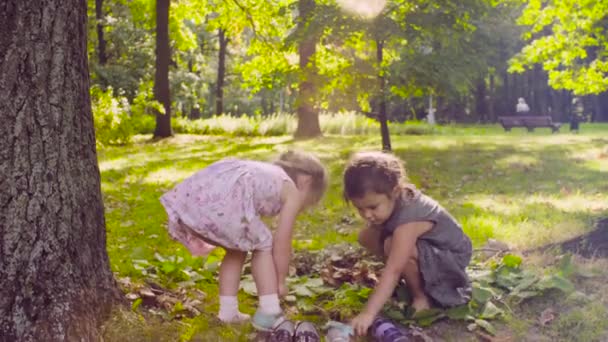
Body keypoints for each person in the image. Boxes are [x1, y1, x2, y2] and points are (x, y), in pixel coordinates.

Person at [160, 151, 328, 331]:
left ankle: (228, 311)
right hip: (225, 204)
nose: (303, 208)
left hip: (200, 199)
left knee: (238, 248)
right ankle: (270, 309)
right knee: (264, 244)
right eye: (309, 202)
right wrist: (280, 280)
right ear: (306, 181)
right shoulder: (292, 191)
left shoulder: (268, 173)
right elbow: (282, 242)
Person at [342, 151, 472, 336]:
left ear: (394, 192)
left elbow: (393, 269)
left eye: (372, 207)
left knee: (393, 247)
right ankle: (412, 274)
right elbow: (371, 237)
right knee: (366, 236)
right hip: (430, 246)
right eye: (359, 209)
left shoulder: (410, 219)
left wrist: (368, 313)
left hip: (451, 258)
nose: (367, 215)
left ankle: (422, 297)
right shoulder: (395, 199)